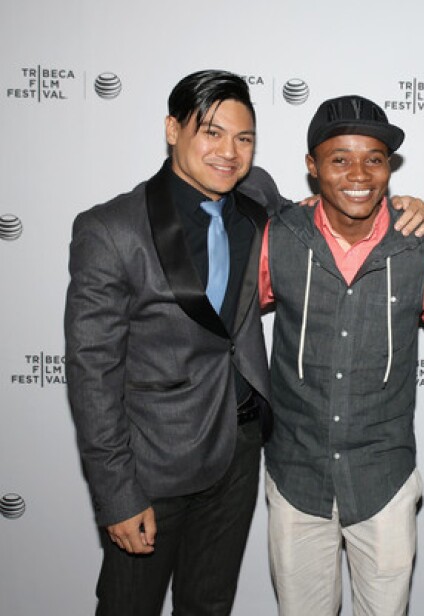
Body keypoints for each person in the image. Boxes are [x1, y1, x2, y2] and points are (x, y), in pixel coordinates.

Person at [65, 70, 276, 615]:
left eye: (244, 138)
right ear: (172, 129)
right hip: (153, 462)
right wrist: (118, 493)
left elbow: (330, 217)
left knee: (208, 605)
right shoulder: (112, 230)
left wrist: (419, 206)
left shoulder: (256, 200)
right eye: (211, 132)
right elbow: (93, 373)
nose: (229, 152)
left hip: (237, 450)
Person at [260, 94, 424, 616]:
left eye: (374, 158)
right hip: (295, 473)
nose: (359, 173)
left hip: (382, 477)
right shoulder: (278, 235)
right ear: (311, 167)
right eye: (339, 158)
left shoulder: (422, 240)